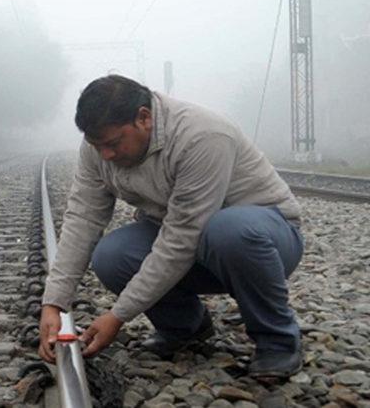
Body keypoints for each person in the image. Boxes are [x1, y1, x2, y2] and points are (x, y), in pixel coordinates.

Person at [38, 75, 304, 379]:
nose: (106, 155)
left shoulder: (202, 136)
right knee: (112, 255)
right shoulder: (98, 148)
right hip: (193, 244)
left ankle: (278, 342)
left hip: (265, 240)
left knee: (227, 231)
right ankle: (185, 327)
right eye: (97, 146)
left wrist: (118, 315)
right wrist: (54, 302)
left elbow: (182, 237)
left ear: (144, 118)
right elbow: (83, 218)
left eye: (113, 144)